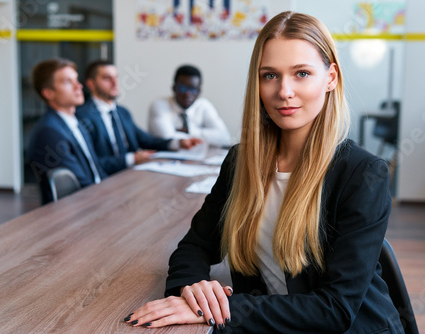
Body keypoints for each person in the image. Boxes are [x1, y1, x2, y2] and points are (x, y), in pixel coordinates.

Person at [125, 11, 404, 333]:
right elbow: (195, 245)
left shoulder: (363, 174)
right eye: (269, 75)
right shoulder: (241, 162)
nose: (284, 91)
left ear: (330, 78)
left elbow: (335, 309)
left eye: (301, 73)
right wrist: (192, 287)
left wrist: (221, 310)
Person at [76, 60, 202, 175]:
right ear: (91, 84)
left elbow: (147, 140)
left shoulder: (122, 112)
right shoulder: (83, 116)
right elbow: (92, 163)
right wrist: (131, 158)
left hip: (130, 175)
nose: (115, 83)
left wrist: (179, 142)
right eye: (107, 78)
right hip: (106, 180)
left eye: (116, 77)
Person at [28, 58, 107, 205]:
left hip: (95, 202)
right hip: (78, 213)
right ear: (48, 93)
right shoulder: (50, 132)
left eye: (76, 80)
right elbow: (81, 186)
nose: (78, 86)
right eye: (67, 82)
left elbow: (96, 170)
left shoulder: (76, 122)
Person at [148, 64, 231, 147]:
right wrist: (206, 136)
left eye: (193, 89)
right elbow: (166, 137)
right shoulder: (160, 105)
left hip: (198, 158)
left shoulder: (204, 106)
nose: (187, 94)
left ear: (199, 91)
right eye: (182, 88)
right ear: (174, 88)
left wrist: (189, 131)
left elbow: (224, 137)